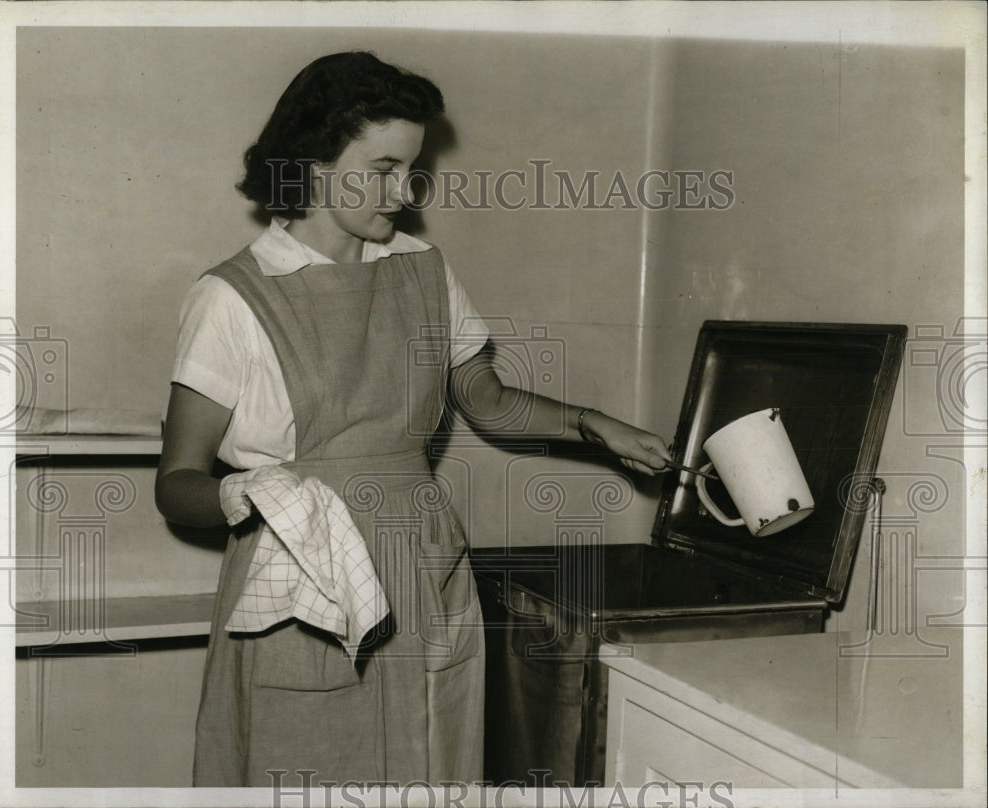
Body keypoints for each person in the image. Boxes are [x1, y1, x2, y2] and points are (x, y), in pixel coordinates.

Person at [155, 51, 672, 788]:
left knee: (430, 770)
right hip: (305, 580)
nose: (404, 191)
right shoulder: (233, 296)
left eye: (412, 168)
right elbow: (176, 480)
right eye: (383, 168)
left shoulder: (422, 268)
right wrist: (245, 494)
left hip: (423, 565)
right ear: (313, 162)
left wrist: (594, 424)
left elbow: (487, 401)